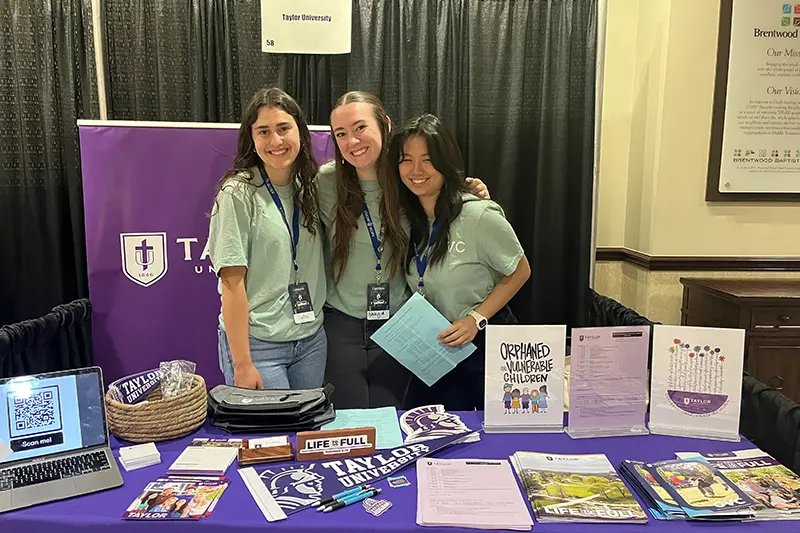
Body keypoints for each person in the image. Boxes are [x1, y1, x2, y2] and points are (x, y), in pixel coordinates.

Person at [319, 91, 489, 409]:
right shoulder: (325, 183)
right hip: (341, 324)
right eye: (340, 134)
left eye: (359, 128)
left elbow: (452, 212)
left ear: (384, 125)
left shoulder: (408, 178)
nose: (352, 141)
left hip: (400, 321)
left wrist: (470, 191)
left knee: (395, 421)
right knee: (349, 422)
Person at [386, 113, 531, 411]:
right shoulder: (409, 220)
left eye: (427, 159)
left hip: (481, 348)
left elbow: (520, 270)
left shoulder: (479, 215)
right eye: (406, 159)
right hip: (435, 350)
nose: (416, 170)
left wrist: (476, 319)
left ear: (445, 161)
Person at [208, 87, 326, 390]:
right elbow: (231, 285)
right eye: (264, 131)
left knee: (306, 435)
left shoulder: (310, 187)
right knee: (272, 438)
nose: (276, 141)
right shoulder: (238, 193)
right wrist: (242, 364)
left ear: (299, 130)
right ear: (252, 137)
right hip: (259, 347)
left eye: (284, 128)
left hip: (311, 341)